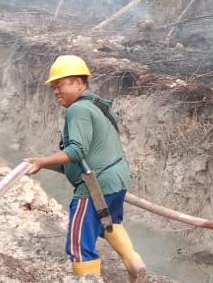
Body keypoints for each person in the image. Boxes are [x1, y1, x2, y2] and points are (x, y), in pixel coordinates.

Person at [25, 55, 146, 281]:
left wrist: (42, 161)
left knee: (79, 242)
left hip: (94, 185)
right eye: (54, 87)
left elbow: (77, 151)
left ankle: (89, 278)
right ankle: (134, 262)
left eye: (60, 85)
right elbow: (81, 159)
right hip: (116, 180)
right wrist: (43, 163)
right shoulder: (96, 106)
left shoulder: (78, 110)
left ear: (79, 83)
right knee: (108, 223)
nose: (56, 91)